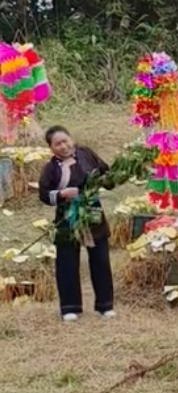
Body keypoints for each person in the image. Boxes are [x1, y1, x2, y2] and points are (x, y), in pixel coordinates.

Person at [38, 126, 115, 322]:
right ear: (51, 148)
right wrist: (62, 194)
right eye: (58, 144)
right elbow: (44, 194)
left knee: (100, 258)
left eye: (65, 141)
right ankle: (70, 307)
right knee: (67, 261)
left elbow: (106, 173)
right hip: (67, 215)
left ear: (71, 139)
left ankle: (105, 305)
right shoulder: (51, 168)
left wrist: (107, 180)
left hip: (92, 211)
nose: (63, 146)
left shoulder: (86, 154)